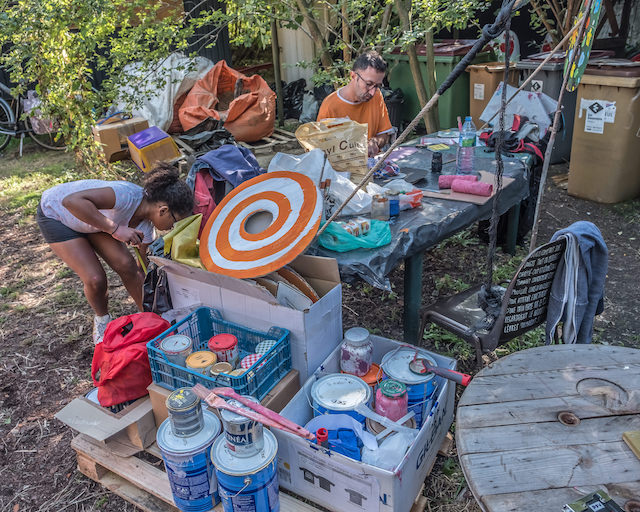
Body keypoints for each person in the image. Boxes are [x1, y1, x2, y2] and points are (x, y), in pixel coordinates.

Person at [37, 163, 194, 344]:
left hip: (95, 222)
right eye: (174, 222)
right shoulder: (125, 195)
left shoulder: (146, 227)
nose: (172, 228)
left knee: (128, 266)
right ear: (163, 211)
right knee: (95, 278)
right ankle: (102, 319)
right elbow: (71, 202)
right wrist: (115, 229)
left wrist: (154, 318)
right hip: (58, 214)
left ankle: (150, 322)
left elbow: (141, 272)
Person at [317, 51, 394, 157]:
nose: (372, 92)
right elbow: (321, 151)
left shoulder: (376, 95)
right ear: (353, 76)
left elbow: (384, 134)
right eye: (368, 84)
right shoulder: (330, 106)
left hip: (372, 166)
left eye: (377, 86)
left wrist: (374, 142)